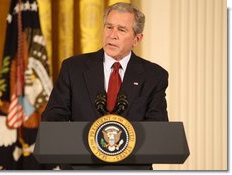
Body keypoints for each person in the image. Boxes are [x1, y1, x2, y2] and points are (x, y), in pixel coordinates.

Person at [41, 2, 169, 170]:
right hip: (80, 169)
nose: (112, 35)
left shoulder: (154, 76)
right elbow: (53, 119)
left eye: (121, 30)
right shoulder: (73, 68)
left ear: (137, 39)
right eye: (109, 27)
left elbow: (156, 129)